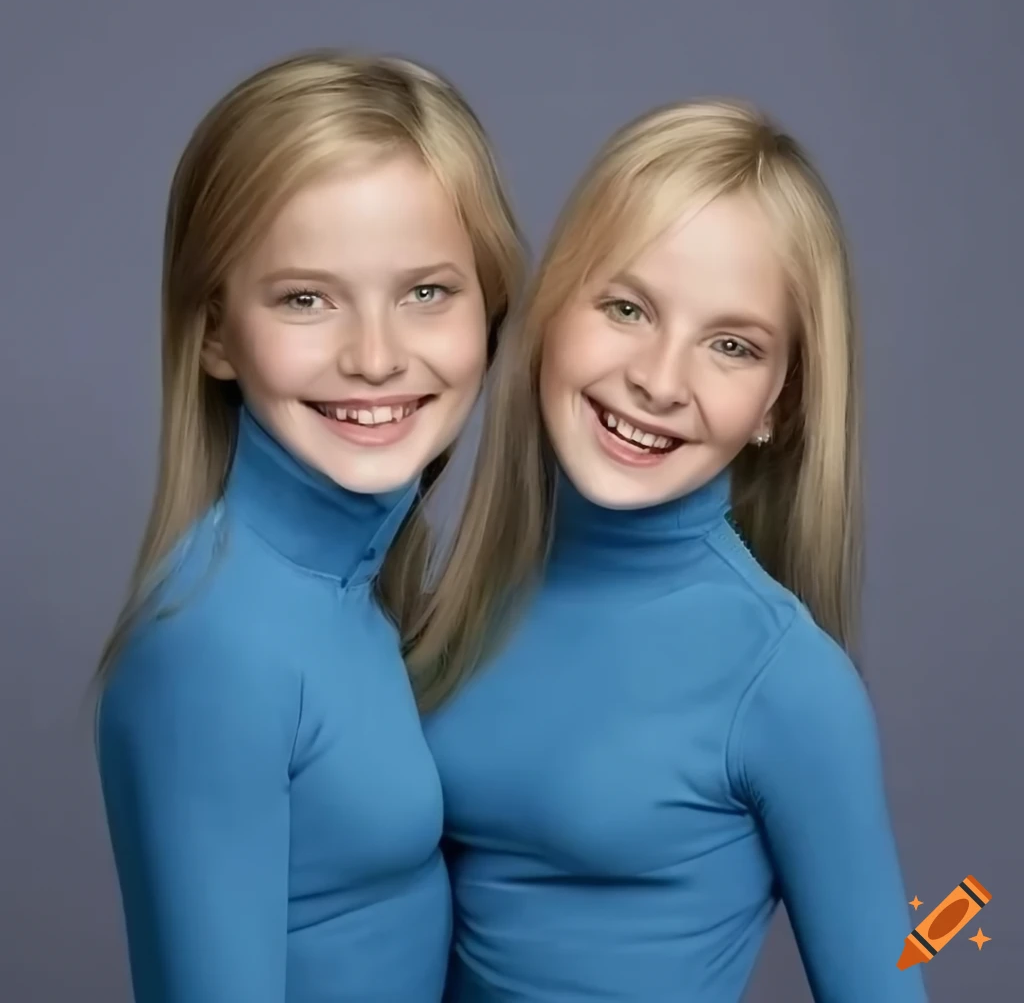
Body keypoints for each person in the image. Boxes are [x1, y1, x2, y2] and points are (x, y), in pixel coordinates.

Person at [386, 101, 928, 1001]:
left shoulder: (789, 684)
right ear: (554, 311)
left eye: (730, 345)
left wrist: (964, 925)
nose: (660, 380)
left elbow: (894, 974)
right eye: (629, 307)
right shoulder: (461, 603)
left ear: (776, 409)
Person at [94, 50, 524, 1003]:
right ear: (213, 333)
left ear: (489, 309)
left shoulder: (353, 594)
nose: (375, 356)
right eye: (305, 298)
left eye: (426, 291)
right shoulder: (214, 649)